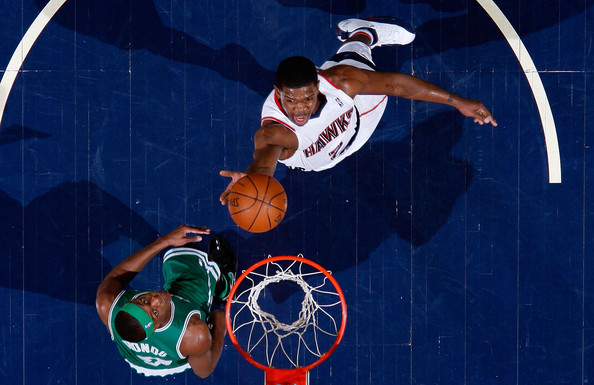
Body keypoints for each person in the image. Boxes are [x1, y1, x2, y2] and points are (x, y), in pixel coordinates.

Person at [219, 17, 497, 204]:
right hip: (326, 155)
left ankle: (364, 33)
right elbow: (265, 163)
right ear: (278, 93)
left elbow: (397, 85)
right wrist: (251, 179)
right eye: (290, 101)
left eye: (306, 98)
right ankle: (356, 41)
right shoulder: (275, 133)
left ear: (317, 85)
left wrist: (457, 101)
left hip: (359, 115)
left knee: (360, 68)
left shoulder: (338, 81)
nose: (299, 109)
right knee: (351, 70)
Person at [95, 224, 237, 378]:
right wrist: (219, 327)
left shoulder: (107, 304)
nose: (155, 299)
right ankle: (224, 287)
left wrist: (165, 241)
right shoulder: (193, 334)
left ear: (129, 302)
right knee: (194, 267)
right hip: (176, 351)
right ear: (156, 326)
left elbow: (117, 276)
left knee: (179, 256)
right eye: (154, 312)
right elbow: (205, 370)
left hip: (135, 356)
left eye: (143, 300)